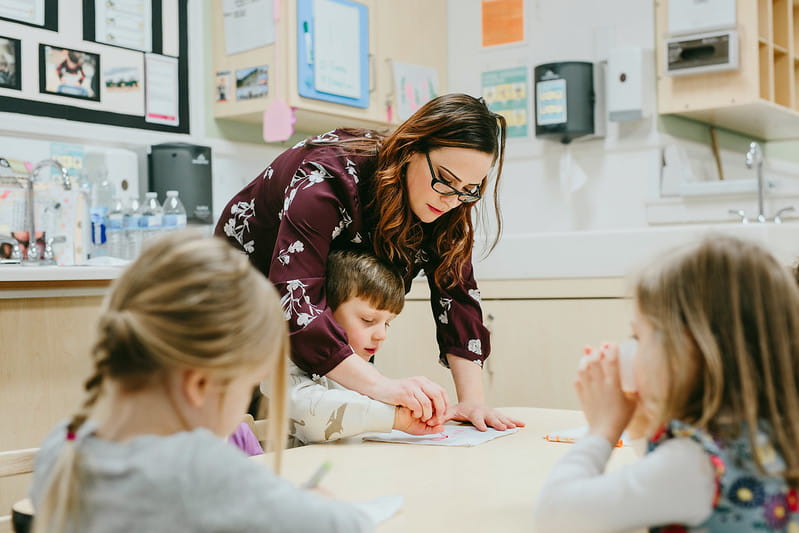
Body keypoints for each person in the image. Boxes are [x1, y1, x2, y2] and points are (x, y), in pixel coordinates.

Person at [216, 93, 523, 432]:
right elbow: (296, 301)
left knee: (346, 416)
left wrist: (472, 401)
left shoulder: (449, 204)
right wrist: (381, 386)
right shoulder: (326, 178)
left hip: (329, 300)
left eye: (469, 189)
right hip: (242, 290)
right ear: (410, 149)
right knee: (240, 423)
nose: (451, 199)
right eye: (445, 180)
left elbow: (458, 294)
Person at [29, 232, 374, 532]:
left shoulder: (63, 444)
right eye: (246, 387)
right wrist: (312, 501)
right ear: (198, 386)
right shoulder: (198, 470)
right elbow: (347, 525)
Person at [533, 235, 799, 532]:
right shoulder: (773, 431)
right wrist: (641, 417)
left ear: (684, 351)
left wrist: (602, 430)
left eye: (638, 337)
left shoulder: (694, 465)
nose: (632, 350)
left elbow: (556, 514)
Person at [277, 249, 447, 445]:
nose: (381, 335)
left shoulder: (365, 369)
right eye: (368, 320)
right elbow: (307, 411)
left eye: (387, 323)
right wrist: (395, 418)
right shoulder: (290, 358)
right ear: (325, 315)